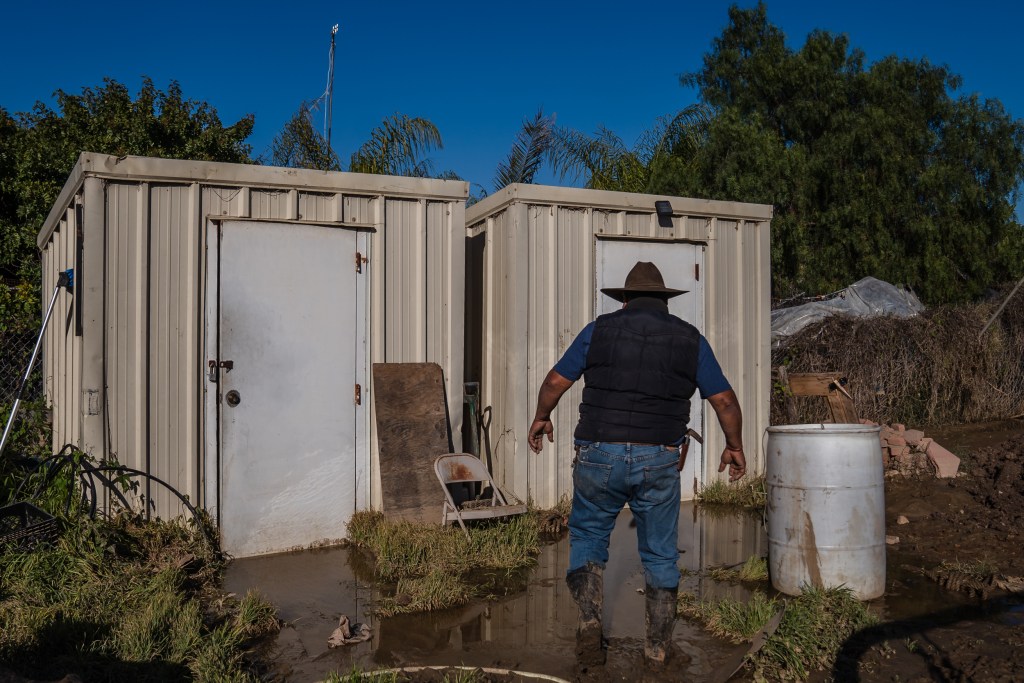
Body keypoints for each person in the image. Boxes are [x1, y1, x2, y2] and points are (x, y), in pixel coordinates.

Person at [527, 261, 746, 669]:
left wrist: (541, 417)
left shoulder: (598, 330)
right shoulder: (690, 339)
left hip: (598, 454)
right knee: (660, 554)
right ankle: (657, 650)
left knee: (589, 535)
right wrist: (734, 446)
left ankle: (590, 622)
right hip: (659, 457)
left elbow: (556, 382)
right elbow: (725, 401)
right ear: (664, 301)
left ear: (624, 300)